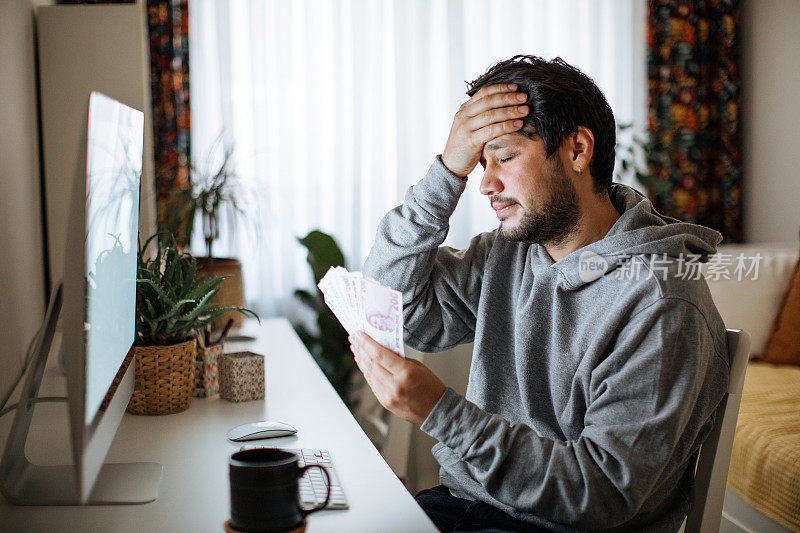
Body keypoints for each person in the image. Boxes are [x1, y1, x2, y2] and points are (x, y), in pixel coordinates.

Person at [349, 55, 729, 532]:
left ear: (577, 151)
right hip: (469, 505)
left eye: (504, 157)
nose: (485, 184)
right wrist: (446, 171)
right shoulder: (508, 255)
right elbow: (392, 311)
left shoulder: (660, 301)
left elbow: (601, 494)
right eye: (479, 162)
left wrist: (441, 412)